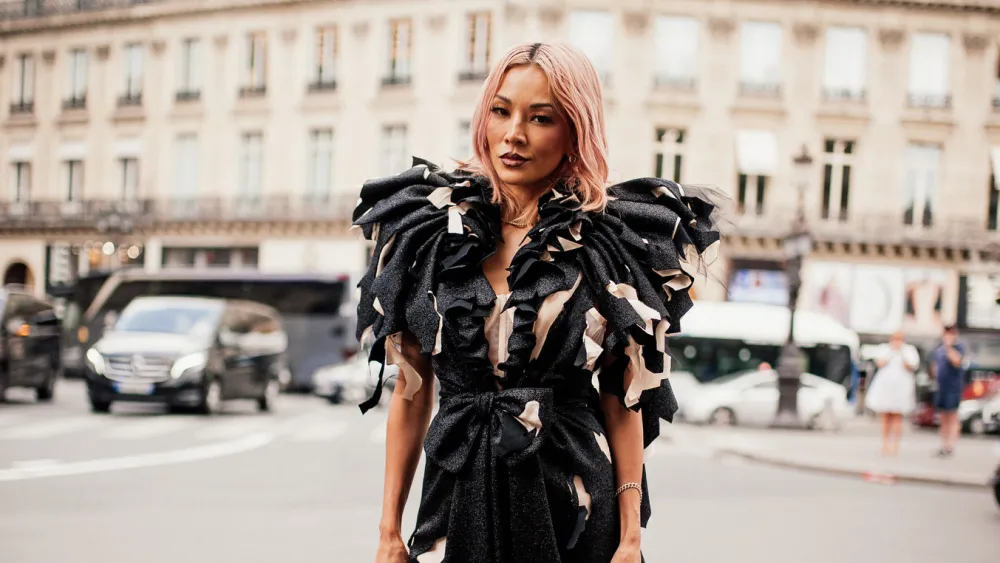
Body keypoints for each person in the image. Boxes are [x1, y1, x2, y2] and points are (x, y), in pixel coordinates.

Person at [353, 43, 722, 563]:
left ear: (575, 129)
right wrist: (388, 529)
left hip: (571, 504)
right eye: (500, 111)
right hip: (457, 497)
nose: (513, 135)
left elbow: (623, 398)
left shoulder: (604, 245)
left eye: (540, 118)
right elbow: (411, 393)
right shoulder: (431, 236)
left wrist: (632, 537)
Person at [863, 331, 919, 456]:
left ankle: (895, 444)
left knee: (897, 416)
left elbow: (911, 366)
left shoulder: (908, 350)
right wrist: (891, 351)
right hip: (886, 386)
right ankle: (885, 443)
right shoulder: (885, 349)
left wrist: (901, 352)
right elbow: (880, 363)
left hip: (901, 387)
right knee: (886, 416)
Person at [929, 325, 967, 458]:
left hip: (953, 387)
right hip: (941, 387)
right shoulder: (938, 349)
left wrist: (949, 347)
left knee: (952, 416)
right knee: (943, 417)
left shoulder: (958, 348)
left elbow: (957, 361)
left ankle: (951, 445)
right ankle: (943, 445)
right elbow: (934, 367)